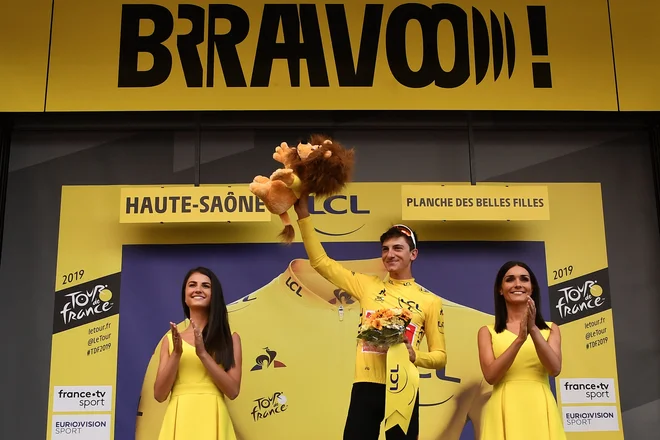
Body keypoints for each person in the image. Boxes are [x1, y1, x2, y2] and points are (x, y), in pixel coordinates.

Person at [292, 194, 448, 440]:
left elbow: (440, 357)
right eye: (385, 249)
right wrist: (303, 216)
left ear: (413, 254)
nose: (390, 254)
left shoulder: (430, 301)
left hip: (403, 386)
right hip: (366, 384)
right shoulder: (367, 286)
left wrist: (415, 355)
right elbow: (321, 263)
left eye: (398, 248)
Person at [477, 261, 566, 440]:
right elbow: (491, 376)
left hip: (540, 406)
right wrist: (519, 340)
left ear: (531, 288)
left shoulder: (550, 329)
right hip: (503, 405)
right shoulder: (487, 331)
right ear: (500, 289)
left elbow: (554, 369)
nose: (518, 284)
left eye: (524, 279)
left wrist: (533, 329)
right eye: (510, 279)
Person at [153, 267, 242, 440]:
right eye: (192, 285)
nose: (198, 289)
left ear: (214, 294)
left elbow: (233, 391)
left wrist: (202, 354)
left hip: (213, 415)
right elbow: (159, 394)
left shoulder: (231, 339)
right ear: (185, 295)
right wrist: (177, 354)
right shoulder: (170, 340)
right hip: (179, 418)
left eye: (206, 286)